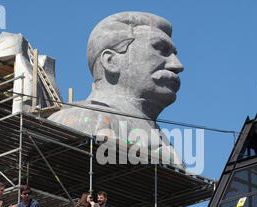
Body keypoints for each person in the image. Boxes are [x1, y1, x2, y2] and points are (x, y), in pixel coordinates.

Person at [48, 11, 184, 165]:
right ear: (111, 61)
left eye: (173, 54)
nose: (177, 66)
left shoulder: (160, 138)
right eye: (160, 49)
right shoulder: (78, 121)